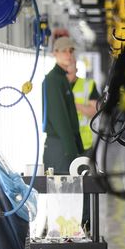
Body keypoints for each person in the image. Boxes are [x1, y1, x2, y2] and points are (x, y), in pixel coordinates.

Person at [43, 37, 83, 174]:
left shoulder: (62, 79)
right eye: (64, 51)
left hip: (65, 145)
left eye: (71, 51)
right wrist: (73, 154)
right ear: (55, 53)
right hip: (60, 148)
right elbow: (60, 120)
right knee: (63, 193)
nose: (68, 55)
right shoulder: (53, 80)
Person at [70, 61, 99, 152]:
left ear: (76, 70)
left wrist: (73, 105)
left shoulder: (88, 85)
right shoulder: (57, 86)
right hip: (64, 143)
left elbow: (95, 111)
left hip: (85, 143)